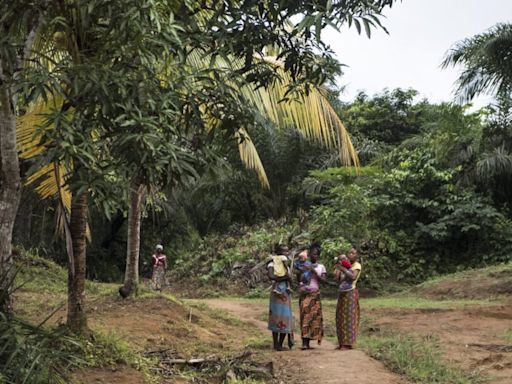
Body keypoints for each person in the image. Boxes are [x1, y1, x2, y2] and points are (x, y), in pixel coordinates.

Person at [298, 245, 327, 350]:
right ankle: (305, 342)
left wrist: (314, 272)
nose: (314, 256)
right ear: (309, 255)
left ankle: (311, 339)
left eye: (316, 254)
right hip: (305, 294)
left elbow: (324, 281)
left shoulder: (321, 267)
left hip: (315, 295)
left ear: (318, 256)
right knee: (305, 316)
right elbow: (299, 278)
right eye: (312, 254)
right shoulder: (304, 265)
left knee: (314, 318)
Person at [335, 246, 362, 350]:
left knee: (349, 318)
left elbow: (353, 277)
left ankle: (348, 343)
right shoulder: (344, 265)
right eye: (349, 253)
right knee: (340, 317)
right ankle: (342, 342)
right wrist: (338, 269)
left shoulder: (357, 265)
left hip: (351, 293)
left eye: (353, 253)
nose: (351, 255)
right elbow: (337, 279)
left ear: (357, 255)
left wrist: (343, 269)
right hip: (342, 293)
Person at [267, 252, 294, 351]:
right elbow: (271, 276)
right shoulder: (272, 264)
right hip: (276, 294)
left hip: (286, 293)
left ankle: (280, 344)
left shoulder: (286, 265)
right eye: (284, 251)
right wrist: (284, 278)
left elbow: (290, 279)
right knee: (276, 317)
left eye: (287, 251)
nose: (286, 253)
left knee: (286, 317)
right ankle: (275, 344)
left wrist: (289, 278)